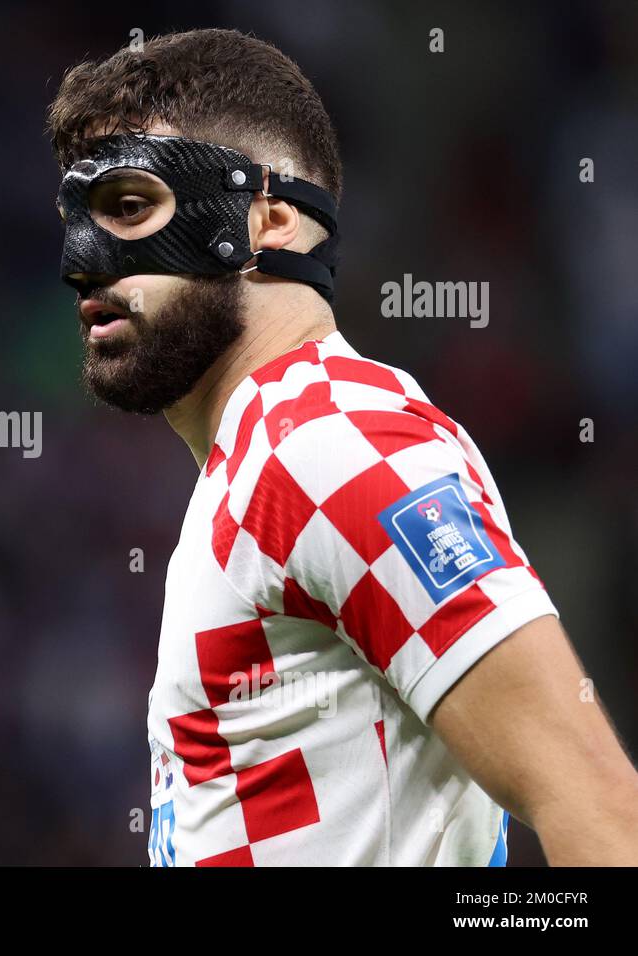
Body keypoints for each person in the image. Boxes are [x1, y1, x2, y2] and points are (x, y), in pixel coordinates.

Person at [47, 27, 638, 865]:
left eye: (131, 206)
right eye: (78, 216)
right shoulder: (264, 461)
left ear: (271, 221)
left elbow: (600, 808)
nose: (83, 261)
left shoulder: (332, 444)